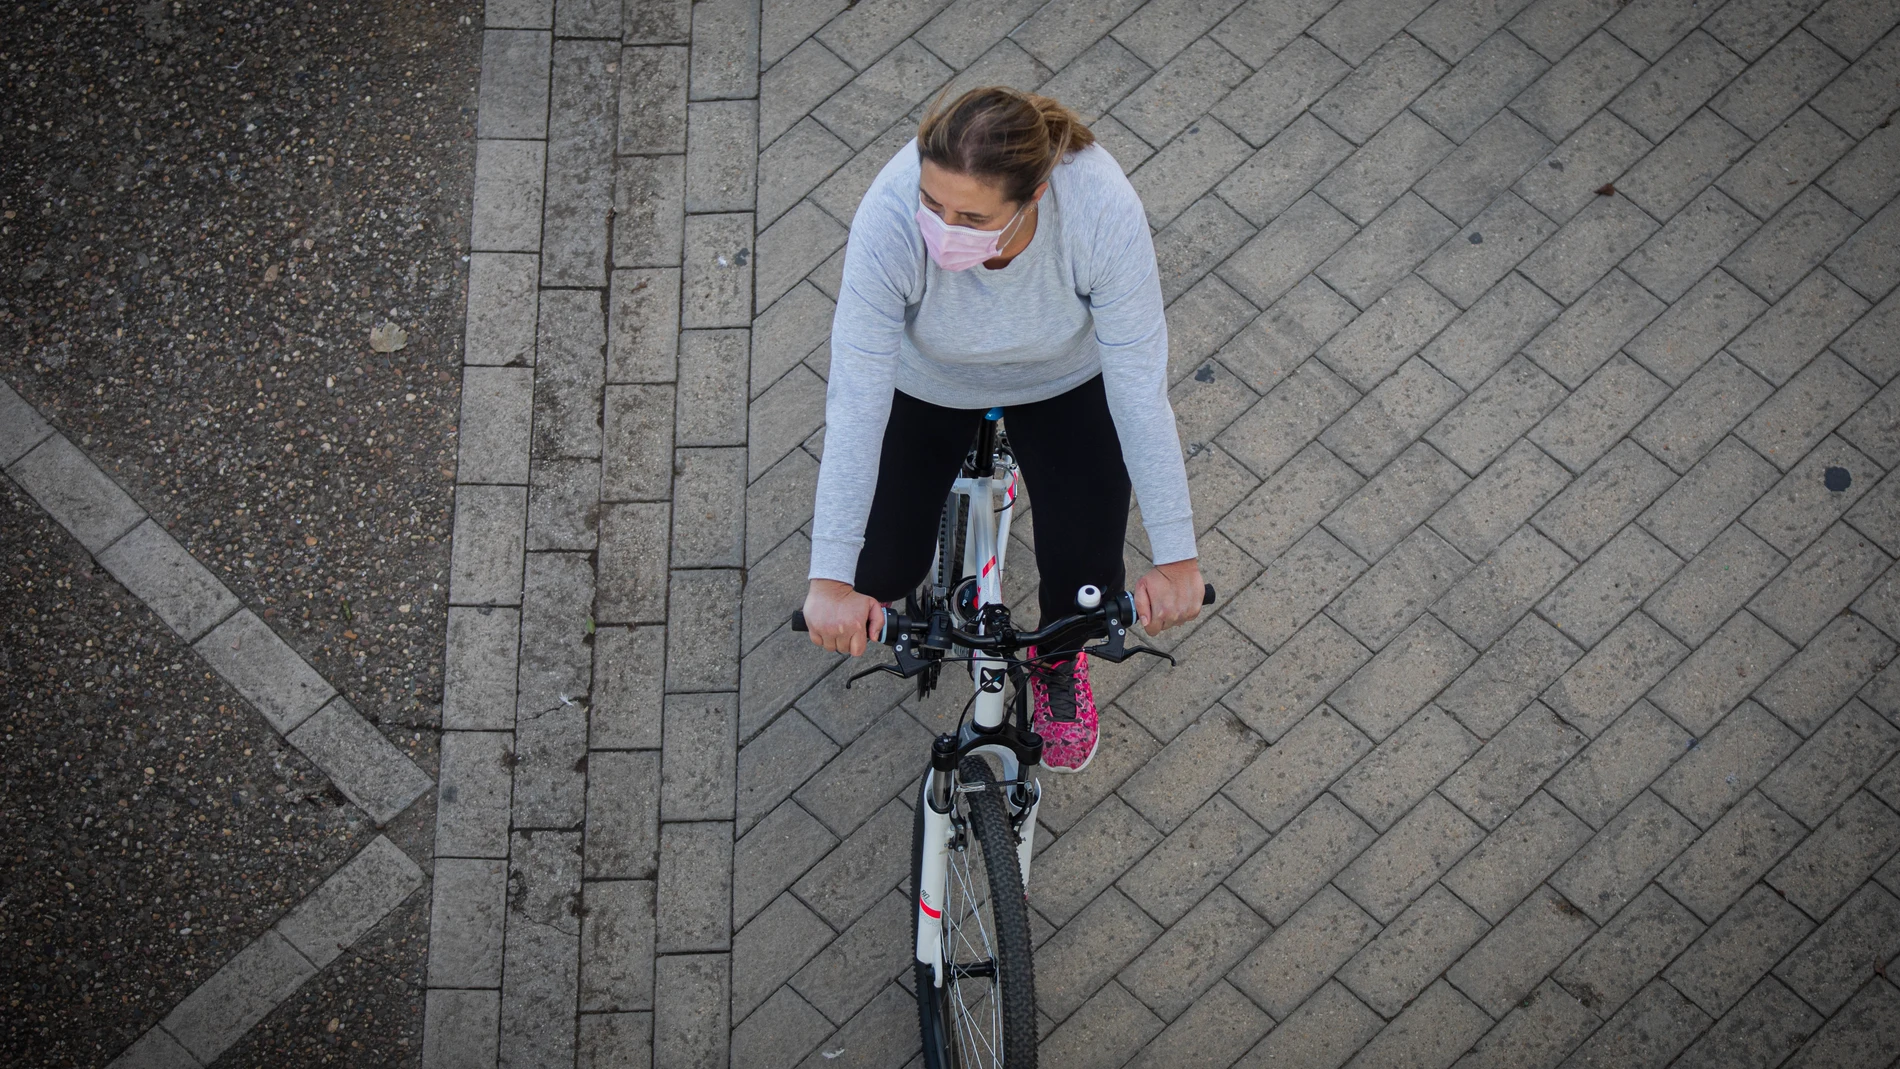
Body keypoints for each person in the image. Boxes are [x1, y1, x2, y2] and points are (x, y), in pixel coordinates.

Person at [799, 86, 1203, 773]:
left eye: (970, 216)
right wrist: (832, 576)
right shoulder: (889, 217)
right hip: (926, 384)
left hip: (1062, 381)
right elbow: (857, 399)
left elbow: (1138, 391)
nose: (941, 226)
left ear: (1036, 194)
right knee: (880, 569)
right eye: (933, 204)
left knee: (1085, 588)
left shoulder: (1100, 206)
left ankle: (1055, 664)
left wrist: (1177, 554)